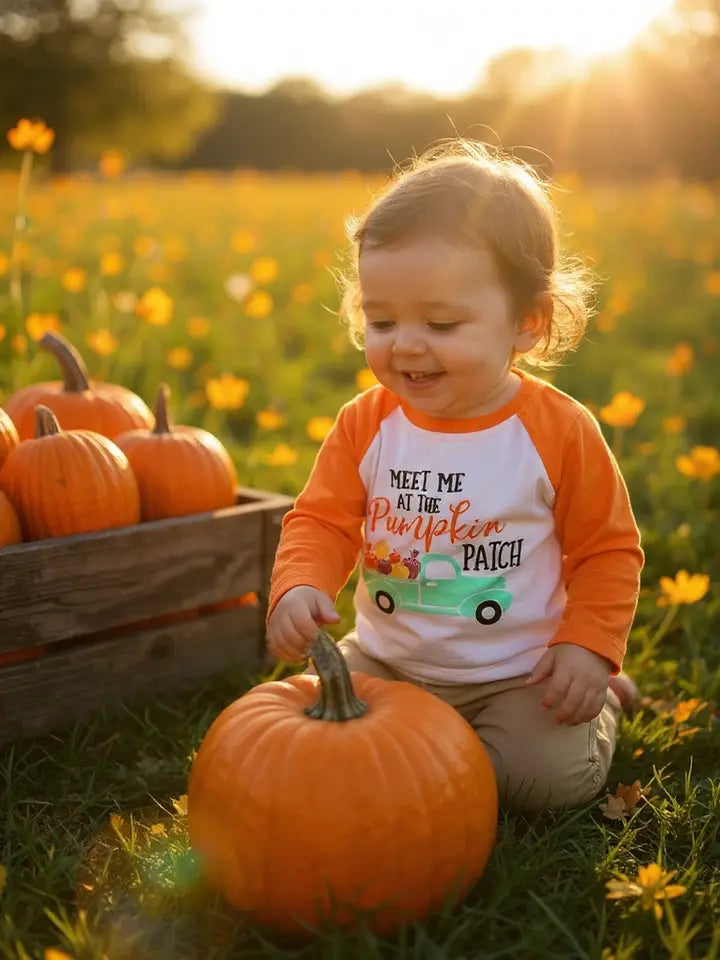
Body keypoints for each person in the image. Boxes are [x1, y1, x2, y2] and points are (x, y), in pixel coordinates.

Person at [266, 139, 644, 812]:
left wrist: (588, 648)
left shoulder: (557, 432)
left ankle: (604, 703)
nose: (405, 343)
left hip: (521, 674)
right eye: (381, 320)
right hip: (386, 661)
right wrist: (299, 583)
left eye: (440, 322)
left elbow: (607, 550)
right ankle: (424, 739)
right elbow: (322, 519)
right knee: (305, 742)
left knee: (538, 785)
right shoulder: (368, 423)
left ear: (528, 323)